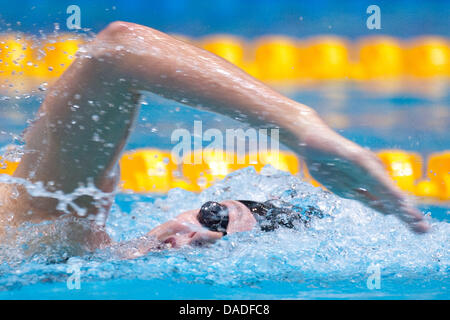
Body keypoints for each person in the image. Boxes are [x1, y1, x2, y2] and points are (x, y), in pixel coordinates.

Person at [0, 21, 429, 259]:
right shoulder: (60, 230)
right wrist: (303, 128)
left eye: (224, 245)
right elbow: (115, 53)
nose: (206, 237)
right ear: (192, 205)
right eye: (213, 217)